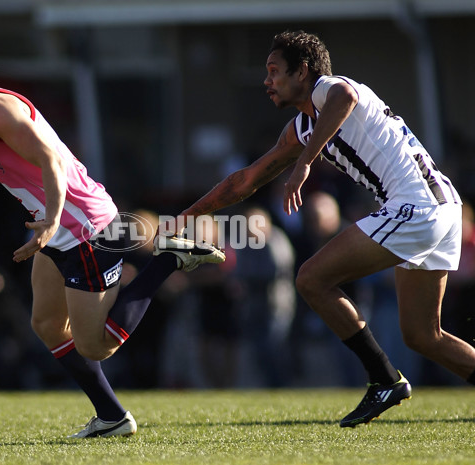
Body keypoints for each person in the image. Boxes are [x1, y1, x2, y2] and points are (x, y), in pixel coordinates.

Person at [0, 23, 224, 438]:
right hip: (53, 227)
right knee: (47, 324)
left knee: (96, 345)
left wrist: (50, 217)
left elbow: (52, 160)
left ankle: (168, 257)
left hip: (82, 224)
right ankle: (112, 416)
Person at [171, 30, 475, 427]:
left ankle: (383, 379)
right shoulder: (302, 126)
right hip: (441, 208)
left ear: (304, 71)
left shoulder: (329, 89)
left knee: (311, 278)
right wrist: (187, 215)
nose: (268, 81)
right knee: (422, 335)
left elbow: (344, 97)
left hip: (418, 206)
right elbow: (246, 180)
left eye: (275, 70)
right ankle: (386, 379)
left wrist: (305, 164)